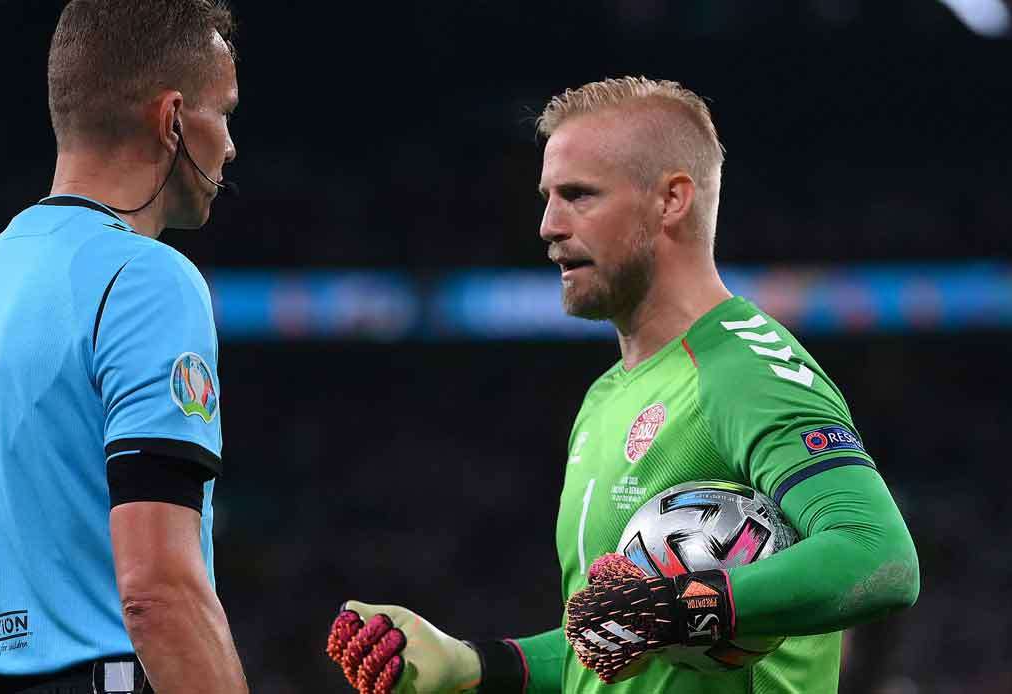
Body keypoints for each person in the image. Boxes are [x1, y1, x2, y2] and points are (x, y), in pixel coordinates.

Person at [326, 76, 920, 693]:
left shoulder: (746, 369)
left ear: (671, 200)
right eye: (547, 197)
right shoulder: (605, 396)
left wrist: (682, 604)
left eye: (579, 196)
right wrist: (469, 662)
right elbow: (614, 650)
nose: (548, 225)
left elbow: (879, 556)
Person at [0, 2, 249, 692]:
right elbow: (157, 594)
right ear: (173, 117)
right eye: (225, 112)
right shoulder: (150, 279)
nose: (231, 144)